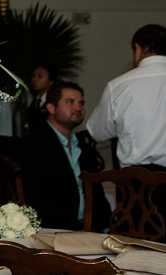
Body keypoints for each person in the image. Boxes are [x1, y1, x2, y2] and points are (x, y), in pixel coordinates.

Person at [86, 24, 166, 245]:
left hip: (136, 191)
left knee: (136, 255)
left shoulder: (120, 85)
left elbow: (97, 132)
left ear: (138, 49)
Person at [21, 81, 110, 231]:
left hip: (88, 230)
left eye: (81, 103)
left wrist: (105, 227)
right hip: (52, 231)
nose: (78, 107)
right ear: (51, 107)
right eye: (70, 102)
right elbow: (35, 198)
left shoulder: (84, 147)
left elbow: (97, 194)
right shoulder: (34, 144)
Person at [26, 63, 55, 135]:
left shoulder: (54, 101)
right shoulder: (34, 102)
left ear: (51, 81)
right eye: (33, 76)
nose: (34, 79)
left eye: (40, 76)